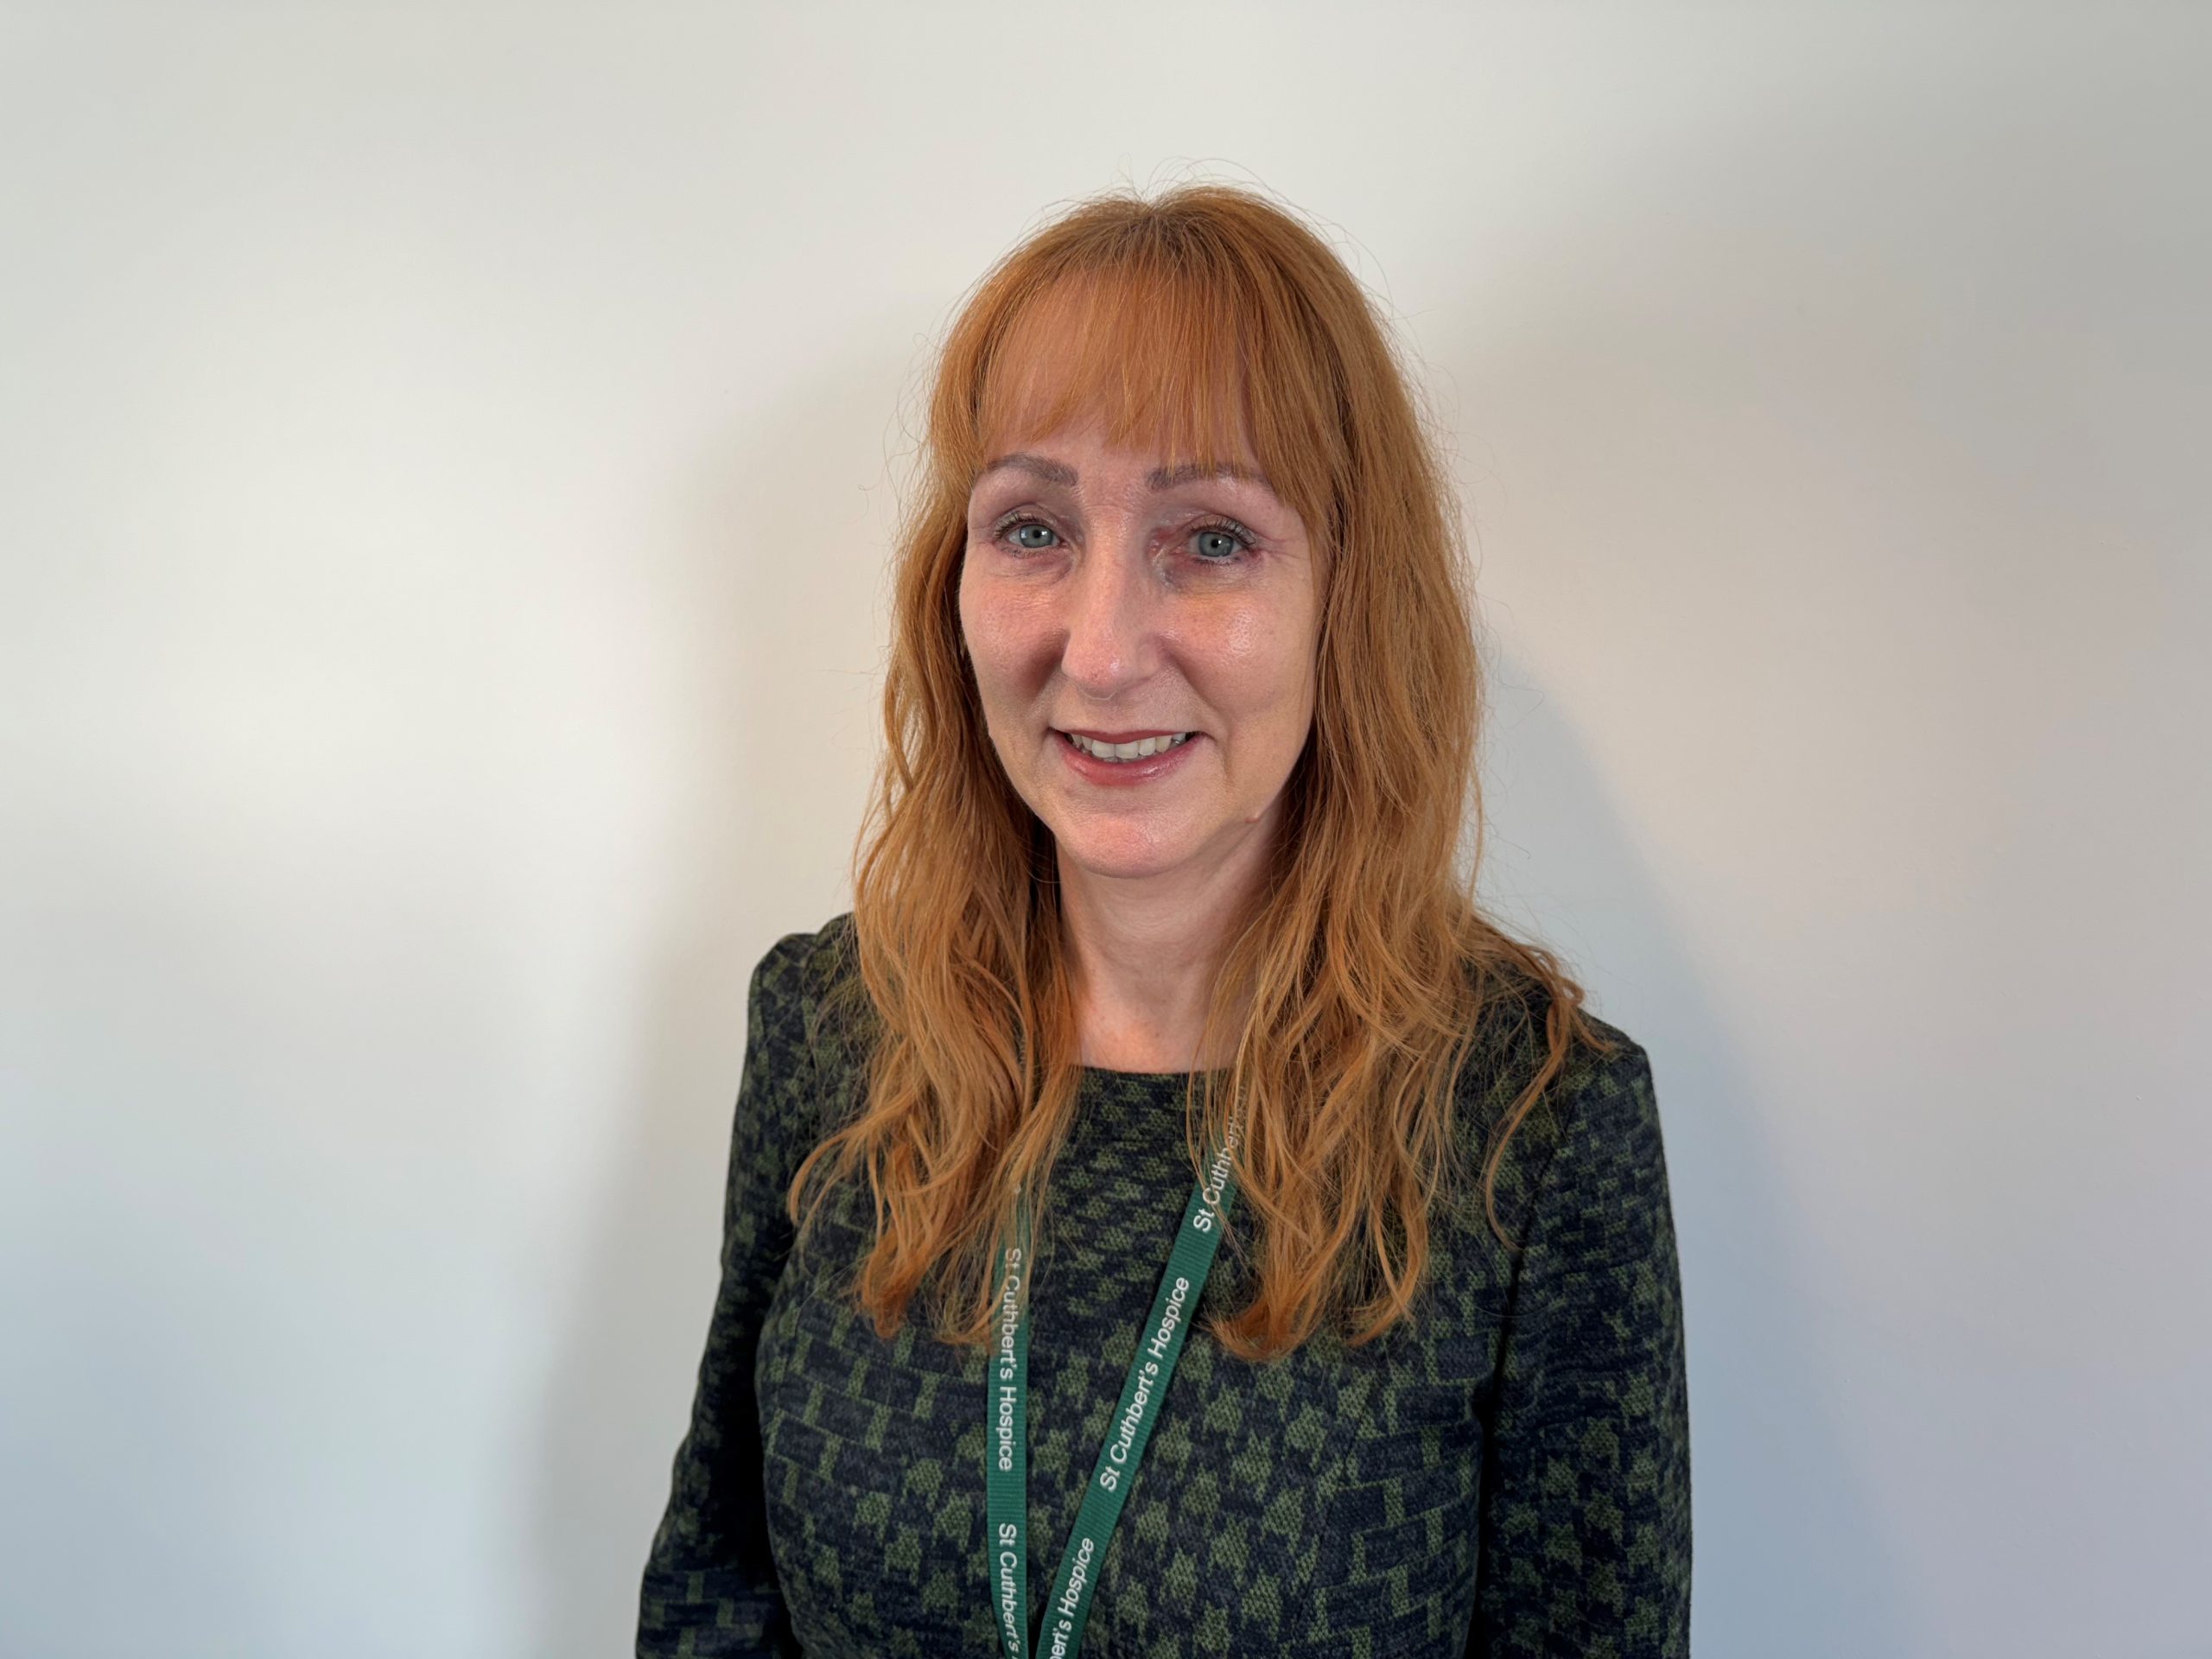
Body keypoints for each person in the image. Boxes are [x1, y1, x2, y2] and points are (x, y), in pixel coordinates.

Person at [637, 181, 1690, 1658]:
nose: (1104, 647)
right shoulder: (832, 1027)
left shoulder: (1533, 1125)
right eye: (1032, 528)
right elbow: (716, 1593)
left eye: (1209, 541)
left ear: (1348, 598)